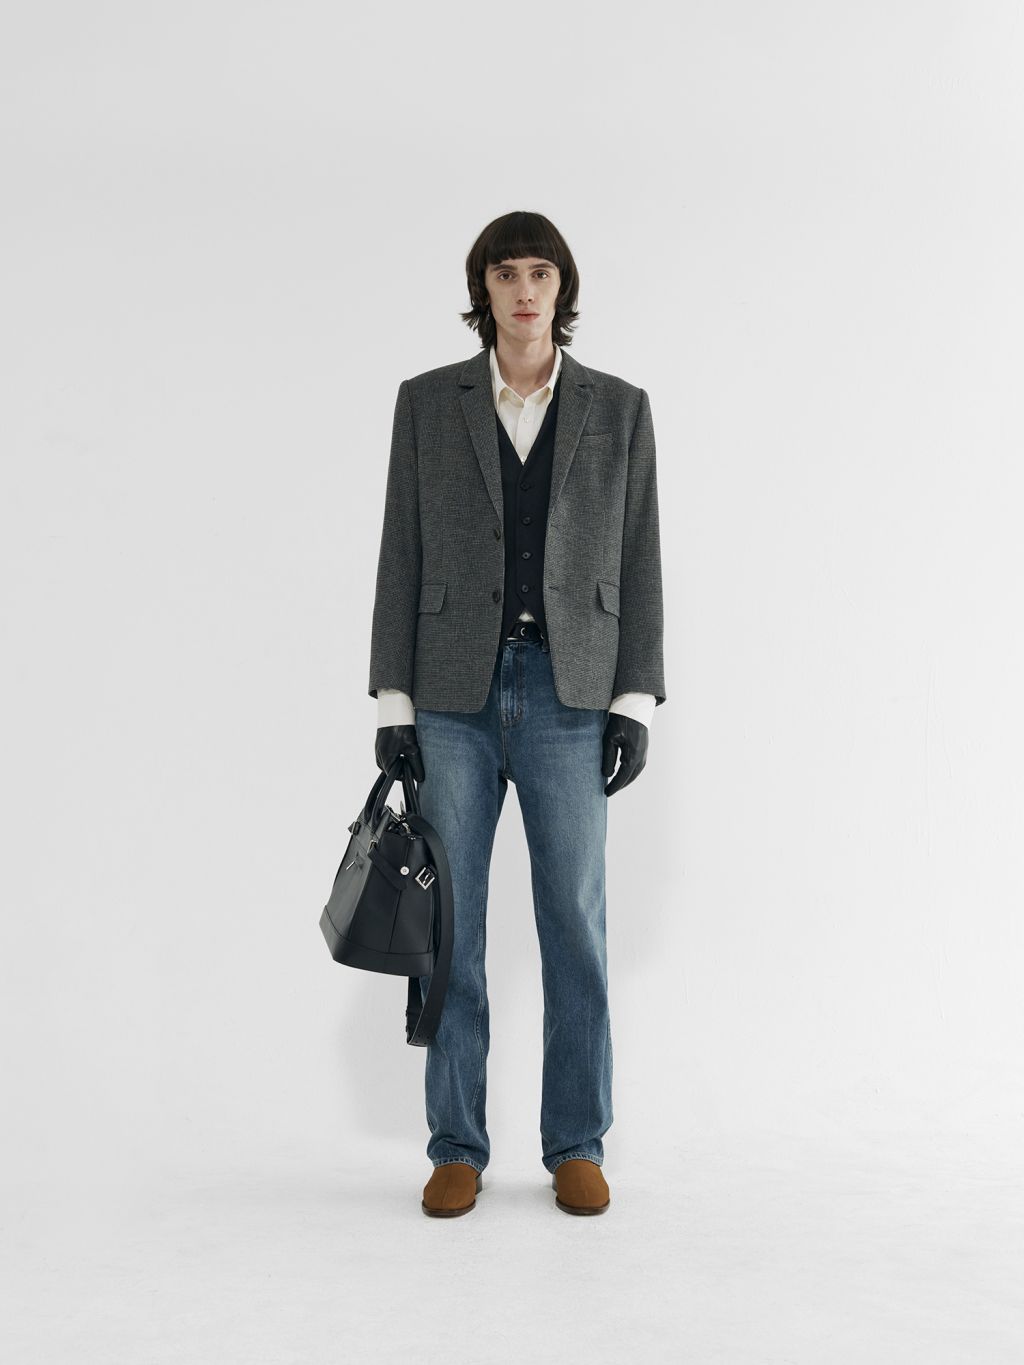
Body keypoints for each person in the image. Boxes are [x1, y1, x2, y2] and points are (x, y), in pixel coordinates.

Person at [367, 210, 666, 1217]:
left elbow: (639, 555)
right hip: (450, 696)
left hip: (569, 695)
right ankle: (456, 1143)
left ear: (561, 288)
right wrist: (394, 699)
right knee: (452, 926)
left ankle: (576, 1141)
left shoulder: (620, 409)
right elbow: (401, 550)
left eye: (541, 273)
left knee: (575, 923)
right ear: (483, 290)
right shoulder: (428, 403)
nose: (524, 290)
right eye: (506, 274)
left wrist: (633, 698)